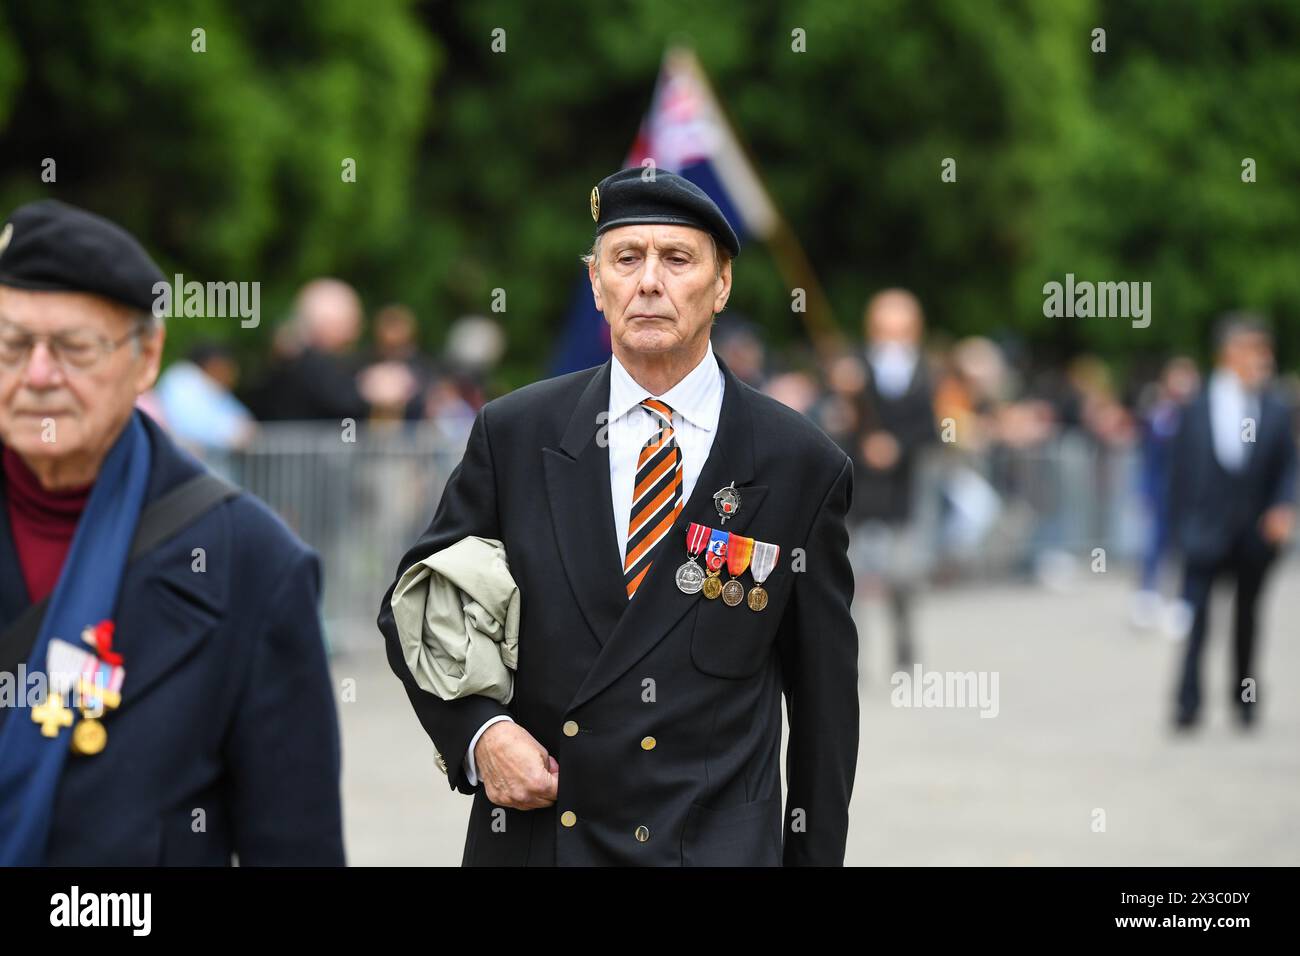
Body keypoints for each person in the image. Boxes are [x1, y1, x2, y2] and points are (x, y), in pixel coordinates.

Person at [378, 168, 859, 866]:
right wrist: (481, 734)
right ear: (598, 284)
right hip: (543, 839)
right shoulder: (516, 434)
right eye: (626, 258)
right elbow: (416, 608)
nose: (650, 281)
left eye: (678, 259)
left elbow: (823, 712)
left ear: (721, 284)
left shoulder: (798, 463)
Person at [0, 200, 343, 864]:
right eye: (12, 345)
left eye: (74, 347)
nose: (38, 376)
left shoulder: (254, 564)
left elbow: (295, 847)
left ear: (147, 355)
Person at [1168, 314, 1297, 730]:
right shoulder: (1196, 405)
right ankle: (1188, 702)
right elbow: (1180, 471)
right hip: (1204, 531)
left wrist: (1284, 506)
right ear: (1229, 352)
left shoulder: (1275, 408)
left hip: (1254, 535)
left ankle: (1244, 698)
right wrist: (1178, 529)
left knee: (1248, 618)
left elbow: (1288, 468)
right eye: (1254, 349)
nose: (1263, 359)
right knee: (1198, 618)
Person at [848, 289, 937, 669]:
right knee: (847, 579)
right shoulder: (852, 370)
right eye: (886, 329)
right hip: (857, 490)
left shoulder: (926, 376)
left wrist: (896, 446)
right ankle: (848, 654)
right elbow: (833, 428)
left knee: (902, 576)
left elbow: (931, 430)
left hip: (902, 493)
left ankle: (903, 643)